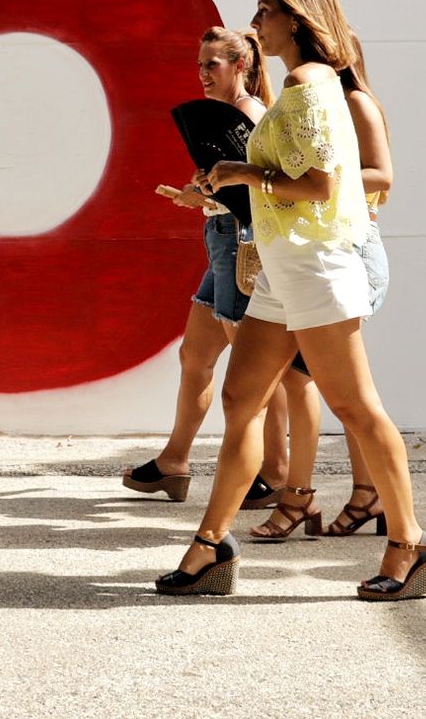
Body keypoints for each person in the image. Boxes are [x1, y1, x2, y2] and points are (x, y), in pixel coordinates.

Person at [155, 0, 426, 601]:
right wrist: (229, 175)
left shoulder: (307, 83)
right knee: (240, 401)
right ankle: (210, 546)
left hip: (314, 268)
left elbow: (319, 186)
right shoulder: (302, 84)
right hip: (285, 269)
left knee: (358, 409)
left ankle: (409, 542)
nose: (254, 24)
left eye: (263, 11)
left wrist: (238, 170)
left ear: (296, 18)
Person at [123, 27, 289, 507]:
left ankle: (276, 472)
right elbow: (227, 184)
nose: (202, 74)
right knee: (195, 357)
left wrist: (212, 195)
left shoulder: (251, 116)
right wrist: (196, 194)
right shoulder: (231, 116)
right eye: (199, 65)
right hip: (221, 241)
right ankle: (174, 462)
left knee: (259, 368)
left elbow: (263, 189)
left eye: (211, 65)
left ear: (241, 67)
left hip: (240, 245)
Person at [250, 31, 394, 541]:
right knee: (326, 387)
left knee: (336, 391)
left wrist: (311, 175)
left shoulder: (355, 101)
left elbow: (384, 176)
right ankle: (359, 494)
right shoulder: (317, 98)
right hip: (318, 248)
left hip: (349, 247)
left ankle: (315, 496)